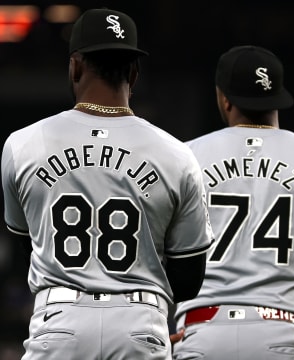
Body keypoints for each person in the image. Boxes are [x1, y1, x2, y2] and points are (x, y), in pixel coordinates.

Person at [1, 8, 214, 360]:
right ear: (134, 71)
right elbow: (189, 279)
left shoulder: (22, 144)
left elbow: (28, 246)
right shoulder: (177, 154)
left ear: (75, 66)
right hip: (139, 324)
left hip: (58, 321)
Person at [171, 45, 294, 359]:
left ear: (224, 98)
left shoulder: (179, 157)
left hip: (202, 332)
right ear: (277, 95)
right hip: (282, 332)